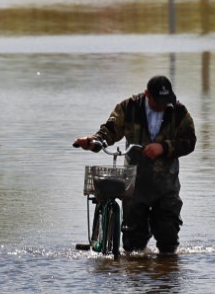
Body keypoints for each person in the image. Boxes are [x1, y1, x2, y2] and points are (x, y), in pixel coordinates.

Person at [73, 75, 197, 255]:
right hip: (135, 184)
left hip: (166, 185)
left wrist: (163, 147)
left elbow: (189, 141)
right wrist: (93, 141)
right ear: (147, 94)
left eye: (166, 100)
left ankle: (165, 278)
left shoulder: (178, 111)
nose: (163, 105)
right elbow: (109, 130)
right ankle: (137, 278)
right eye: (158, 101)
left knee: (168, 239)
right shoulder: (129, 108)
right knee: (133, 242)